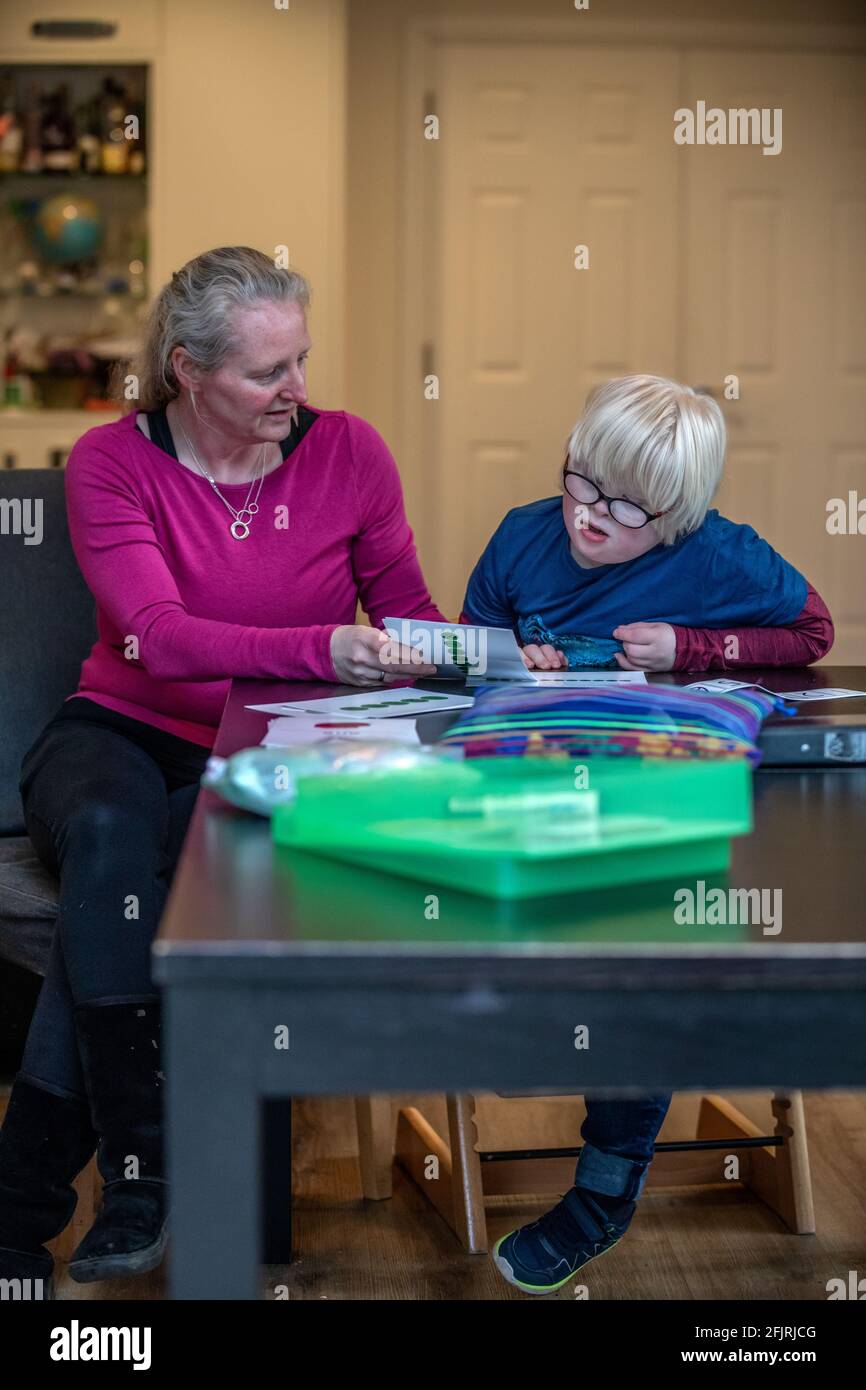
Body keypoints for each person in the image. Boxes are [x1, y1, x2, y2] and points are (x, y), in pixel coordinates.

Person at [0, 245, 444, 1295]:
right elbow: (157, 635)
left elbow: (412, 615)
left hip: (264, 748)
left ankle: (31, 1205)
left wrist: (480, 655)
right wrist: (322, 647)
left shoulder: (350, 454)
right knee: (108, 840)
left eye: (301, 361)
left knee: (124, 896)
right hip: (116, 724)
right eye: (265, 372)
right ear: (188, 368)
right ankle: (145, 1163)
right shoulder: (112, 460)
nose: (297, 391)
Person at [461, 374, 833, 1294]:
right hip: (533, 789)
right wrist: (514, 664)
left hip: (663, 805)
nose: (590, 516)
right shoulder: (522, 536)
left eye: (624, 506)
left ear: (677, 513)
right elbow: (471, 649)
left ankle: (606, 1185)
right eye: (580, 481)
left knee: (643, 931)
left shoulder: (719, 558)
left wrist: (694, 648)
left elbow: (811, 630)